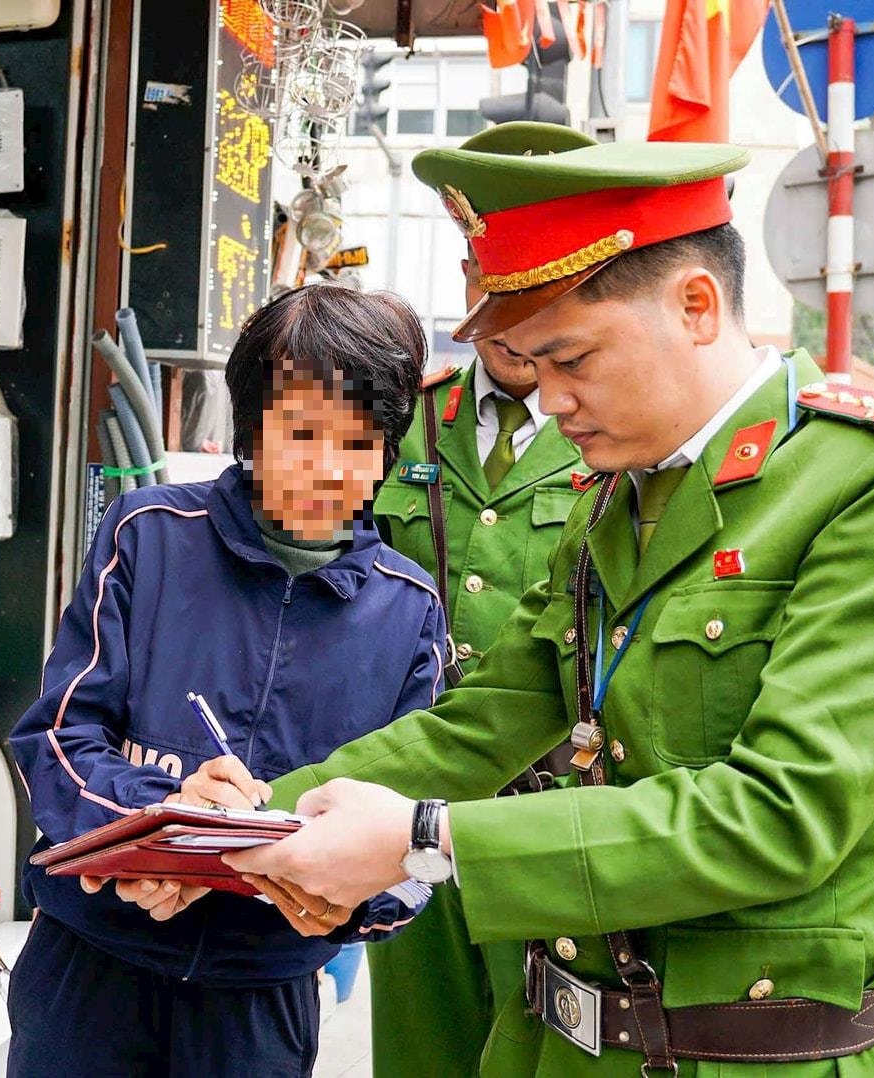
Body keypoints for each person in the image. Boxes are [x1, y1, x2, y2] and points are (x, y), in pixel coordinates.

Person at [219, 124, 874, 1075]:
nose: (549, 402)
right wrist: (248, 821)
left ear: (696, 306)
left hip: (749, 1057)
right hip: (557, 1044)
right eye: (532, 367)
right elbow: (488, 719)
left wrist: (426, 839)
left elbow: (782, 813)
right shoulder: (615, 496)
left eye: (572, 360)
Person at [4, 284, 441, 1077]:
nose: (327, 469)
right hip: (91, 966)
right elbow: (58, 739)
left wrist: (350, 904)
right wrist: (156, 826)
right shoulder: (147, 537)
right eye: (301, 433)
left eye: (358, 441)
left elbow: (416, 831)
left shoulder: (408, 611)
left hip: (260, 994)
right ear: (251, 429)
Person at [362, 122, 586, 1078]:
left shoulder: (612, 434)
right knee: (420, 1049)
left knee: (542, 1050)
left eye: (543, 290)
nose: (513, 316)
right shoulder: (406, 418)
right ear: (467, 277)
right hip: (407, 788)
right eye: (494, 280)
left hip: (553, 804)